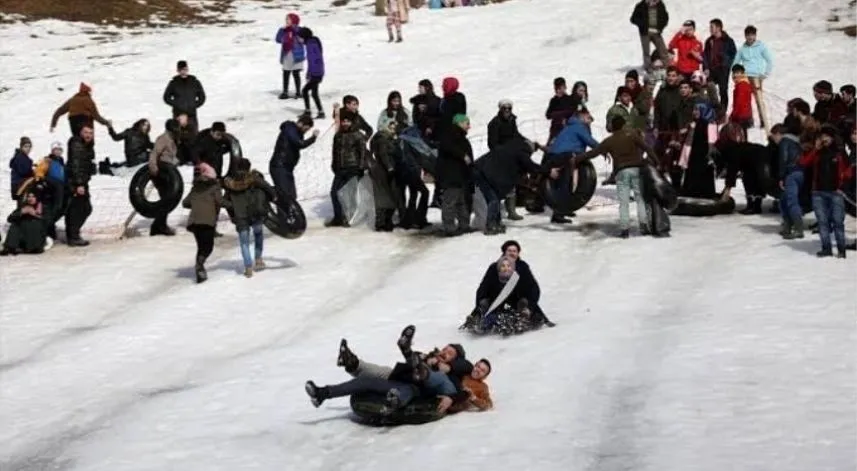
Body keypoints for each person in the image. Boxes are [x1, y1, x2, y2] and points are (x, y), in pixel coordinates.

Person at [573, 116, 658, 237]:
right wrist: (657, 162)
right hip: (636, 169)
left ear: (613, 127)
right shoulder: (633, 135)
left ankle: (624, 230)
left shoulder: (610, 141)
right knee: (640, 198)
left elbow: (593, 153)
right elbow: (647, 148)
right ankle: (644, 226)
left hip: (621, 171)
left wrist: (577, 159)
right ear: (624, 125)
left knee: (624, 202)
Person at [473, 137, 552, 235]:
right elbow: (531, 166)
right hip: (483, 173)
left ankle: (496, 223)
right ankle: (491, 225)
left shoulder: (512, 146)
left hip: (481, 170)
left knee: (495, 199)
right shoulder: (521, 152)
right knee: (493, 199)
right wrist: (549, 171)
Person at [798, 127, 852, 258]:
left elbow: (849, 172)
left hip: (836, 193)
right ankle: (826, 248)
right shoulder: (817, 153)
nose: (824, 139)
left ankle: (841, 248)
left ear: (832, 138)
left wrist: (842, 186)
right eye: (822, 137)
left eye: (827, 136)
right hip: (818, 193)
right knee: (822, 222)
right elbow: (803, 163)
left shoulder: (839, 152)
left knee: (838, 222)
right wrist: (815, 148)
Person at [543, 107, 600, 224]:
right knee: (565, 183)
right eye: (589, 118)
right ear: (582, 116)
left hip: (556, 155)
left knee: (565, 182)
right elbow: (589, 141)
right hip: (565, 156)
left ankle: (564, 209)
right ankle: (558, 213)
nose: (590, 121)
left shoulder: (569, 126)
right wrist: (603, 149)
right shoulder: (578, 126)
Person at [222, 158, 277, 277]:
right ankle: (258, 259)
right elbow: (267, 187)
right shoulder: (254, 178)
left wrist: (233, 214)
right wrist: (274, 197)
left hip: (240, 216)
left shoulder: (230, 183)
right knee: (258, 234)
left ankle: (248, 267)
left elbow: (226, 202)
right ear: (248, 167)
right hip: (255, 213)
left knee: (244, 243)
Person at [326, 110, 367, 227]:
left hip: (353, 168)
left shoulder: (358, 135)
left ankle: (349, 218)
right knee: (334, 193)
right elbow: (334, 152)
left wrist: (361, 167)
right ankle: (338, 217)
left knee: (349, 194)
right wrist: (334, 165)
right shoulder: (338, 135)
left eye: (347, 121)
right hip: (340, 168)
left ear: (351, 122)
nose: (345, 123)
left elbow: (363, 152)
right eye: (343, 121)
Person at [182, 163, 222, 283]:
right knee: (208, 247)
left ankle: (200, 270)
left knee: (201, 247)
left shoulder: (195, 188)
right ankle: (199, 266)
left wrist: (197, 204)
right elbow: (220, 201)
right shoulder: (214, 187)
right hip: (207, 221)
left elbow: (185, 203)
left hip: (194, 222)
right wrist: (233, 206)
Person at [487, 99, 525, 221]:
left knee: (511, 182)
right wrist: (502, 151)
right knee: (500, 183)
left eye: (509, 108)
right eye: (505, 108)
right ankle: (496, 210)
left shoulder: (512, 120)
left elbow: (516, 135)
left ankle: (511, 210)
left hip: (511, 156)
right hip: (500, 156)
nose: (507, 111)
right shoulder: (494, 123)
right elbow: (492, 143)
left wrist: (525, 142)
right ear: (500, 109)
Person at [436, 114, 473, 236]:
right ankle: (449, 227)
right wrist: (463, 155)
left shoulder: (460, 136)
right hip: (451, 175)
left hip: (459, 175)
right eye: (467, 124)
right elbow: (448, 147)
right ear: (460, 123)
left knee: (461, 201)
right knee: (450, 202)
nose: (469, 127)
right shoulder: (450, 135)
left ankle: (464, 225)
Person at [731, 25, 773, 131]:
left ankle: (763, 119)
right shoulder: (742, 49)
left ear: (755, 36)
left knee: (758, 99)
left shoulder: (761, 46)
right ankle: (748, 119)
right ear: (745, 36)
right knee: (745, 99)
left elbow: (769, 60)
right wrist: (734, 74)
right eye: (748, 35)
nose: (750, 37)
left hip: (757, 76)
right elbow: (735, 62)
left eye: (752, 35)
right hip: (745, 76)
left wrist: (765, 74)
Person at [269, 115, 318, 202]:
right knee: (284, 195)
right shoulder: (290, 129)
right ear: (300, 124)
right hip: (280, 166)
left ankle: (289, 214)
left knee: (291, 195)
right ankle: (282, 214)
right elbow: (300, 144)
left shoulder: (297, 133)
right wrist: (313, 138)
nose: (305, 132)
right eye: (306, 129)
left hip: (287, 168)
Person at [769, 123, 805, 237]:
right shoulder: (795, 142)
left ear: (778, 134)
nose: (773, 139)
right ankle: (788, 226)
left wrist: (781, 177)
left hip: (791, 173)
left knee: (791, 201)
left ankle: (798, 228)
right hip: (800, 172)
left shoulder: (784, 142)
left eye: (773, 136)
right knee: (784, 200)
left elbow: (783, 160)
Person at [147, 119, 182, 236]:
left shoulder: (173, 139)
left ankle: (159, 225)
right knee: (166, 199)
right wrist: (153, 168)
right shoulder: (163, 139)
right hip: (160, 172)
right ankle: (159, 226)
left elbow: (170, 155)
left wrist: (176, 161)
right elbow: (154, 153)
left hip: (169, 172)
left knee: (167, 200)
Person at [369, 117, 402, 231]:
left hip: (383, 170)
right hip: (383, 171)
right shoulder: (382, 138)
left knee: (387, 196)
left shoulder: (385, 137)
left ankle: (385, 222)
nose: (393, 128)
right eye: (390, 126)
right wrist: (390, 167)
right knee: (385, 197)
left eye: (394, 126)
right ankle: (382, 223)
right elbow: (383, 154)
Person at [65, 125, 95, 247]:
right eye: (86, 132)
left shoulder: (86, 145)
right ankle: (73, 236)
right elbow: (76, 164)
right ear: (80, 132)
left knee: (82, 208)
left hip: (81, 181)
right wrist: (79, 184)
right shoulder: (77, 144)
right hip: (76, 183)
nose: (88, 135)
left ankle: (73, 235)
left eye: (91, 133)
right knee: (80, 209)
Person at [163, 61, 206, 133]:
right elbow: (166, 97)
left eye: (185, 69)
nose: (183, 72)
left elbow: (202, 97)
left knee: (193, 134)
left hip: (191, 114)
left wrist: (194, 105)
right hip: (178, 114)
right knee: (177, 134)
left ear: (187, 69)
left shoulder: (195, 82)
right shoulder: (174, 83)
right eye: (181, 70)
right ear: (178, 70)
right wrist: (176, 104)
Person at [703, 18, 737, 109]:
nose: (710, 29)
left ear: (718, 28)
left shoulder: (728, 40)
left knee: (723, 90)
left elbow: (733, 53)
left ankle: (722, 112)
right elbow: (705, 55)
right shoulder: (709, 41)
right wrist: (706, 67)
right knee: (710, 88)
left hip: (722, 69)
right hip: (711, 69)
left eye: (712, 27)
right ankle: (711, 109)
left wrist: (726, 63)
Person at [0, 190, 46, 256]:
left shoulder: (43, 207)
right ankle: (10, 247)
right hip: (23, 236)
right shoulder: (24, 207)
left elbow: (47, 221)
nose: (30, 198)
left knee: (34, 223)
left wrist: (35, 214)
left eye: (33, 197)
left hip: (36, 237)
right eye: (29, 197)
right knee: (15, 224)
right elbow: (9, 218)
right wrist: (21, 212)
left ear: (37, 198)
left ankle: (34, 247)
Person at [629, 0, 670, 71]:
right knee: (646, 52)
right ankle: (648, 69)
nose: (655, 2)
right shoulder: (641, 5)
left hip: (656, 32)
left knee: (663, 50)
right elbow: (633, 19)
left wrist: (660, 28)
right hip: (645, 33)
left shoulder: (660, 5)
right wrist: (644, 26)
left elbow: (665, 17)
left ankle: (667, 67)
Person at [275, 13, 305, 100]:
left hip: (297, 55)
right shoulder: (284, 30)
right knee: (286, 73)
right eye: (286, 19)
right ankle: (285, 92)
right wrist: (281, 30)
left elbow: (303, 40)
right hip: (287, 55)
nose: (286, 21)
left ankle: (298, 92)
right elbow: (278, 39)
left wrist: (293, 29)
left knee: (296, 74)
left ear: (294, 21)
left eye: (288, 19)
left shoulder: (299, 30)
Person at [298, 28, 325, 119]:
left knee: (306, 91)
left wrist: (310, 73)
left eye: (299, 37)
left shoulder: (311, 45)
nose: (298, 39)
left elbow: (313, 61)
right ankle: (318, 111)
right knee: (313, 93)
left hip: (316, 73)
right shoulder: (312, 43)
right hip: (318, 72)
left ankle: (310, 111)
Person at [729, 64, 754, 134]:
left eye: (737, 73)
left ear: (742, 74)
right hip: (745, 114)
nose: (735, 75)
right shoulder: (744, 84)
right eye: (734, 73)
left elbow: (739, 103)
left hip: (741, 116)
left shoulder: (741, 86)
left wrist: (733, 115)